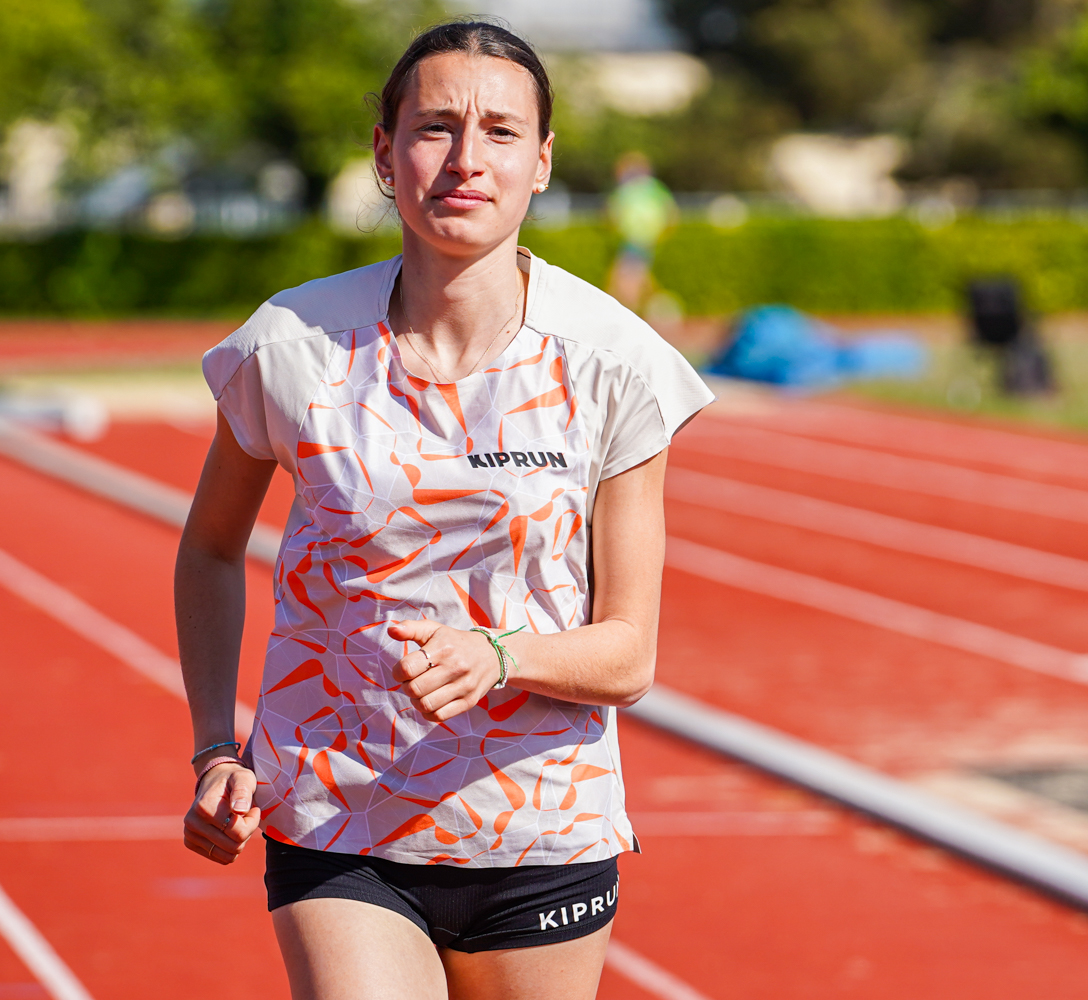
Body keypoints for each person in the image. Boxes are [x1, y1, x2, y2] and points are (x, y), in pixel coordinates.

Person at [175, 21, 714, 1000]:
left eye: (502, 132)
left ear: (542, 161)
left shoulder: (614, 362)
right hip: (340, 819)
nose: (467, 158)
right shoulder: (290, 344)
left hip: (538, 825)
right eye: (435, 127)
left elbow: (629, 655)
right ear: (385, 151)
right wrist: (218, 743)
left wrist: (499, 653)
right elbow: (212, 547)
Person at [605, 152, 677, 313]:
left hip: (638, 239)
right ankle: (657, 306)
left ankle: (627, 311)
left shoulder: (633, 189)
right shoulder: (651, 188)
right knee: (635, 275)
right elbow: (670, 211)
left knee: (624, 276)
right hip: (642, 238)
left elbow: (613, 212)